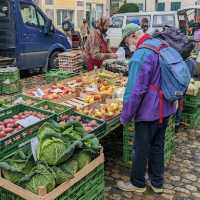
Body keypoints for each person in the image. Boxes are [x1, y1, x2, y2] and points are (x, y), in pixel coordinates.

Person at [117, 23, 176, 193]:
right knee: (157, 146)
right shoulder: (160, 45)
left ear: (134, 36)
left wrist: (125, 116)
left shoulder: (140, 54)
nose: (128, 45)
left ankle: (137, 183)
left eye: (127, 41)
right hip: (166, 108)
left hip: (149, 111)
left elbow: (135, 91)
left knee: (140, 149)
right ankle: (157, 183)